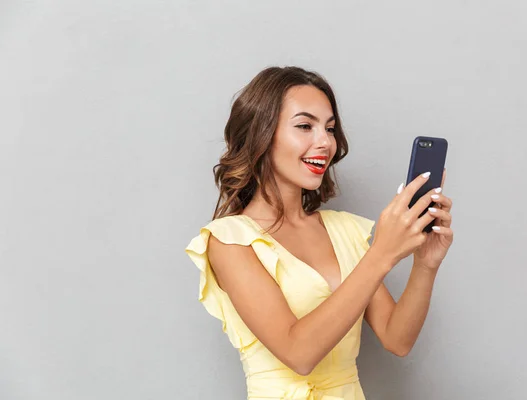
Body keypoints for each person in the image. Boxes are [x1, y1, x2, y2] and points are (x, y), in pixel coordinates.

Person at [184, 66, 454, 400]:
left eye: (329, 128)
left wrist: (426, 265)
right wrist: (382, 253)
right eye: (304, 126)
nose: (325, 142)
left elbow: (396, 339)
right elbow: (299, 353)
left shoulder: (345, 230)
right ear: (261, 135)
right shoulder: (229, 240)